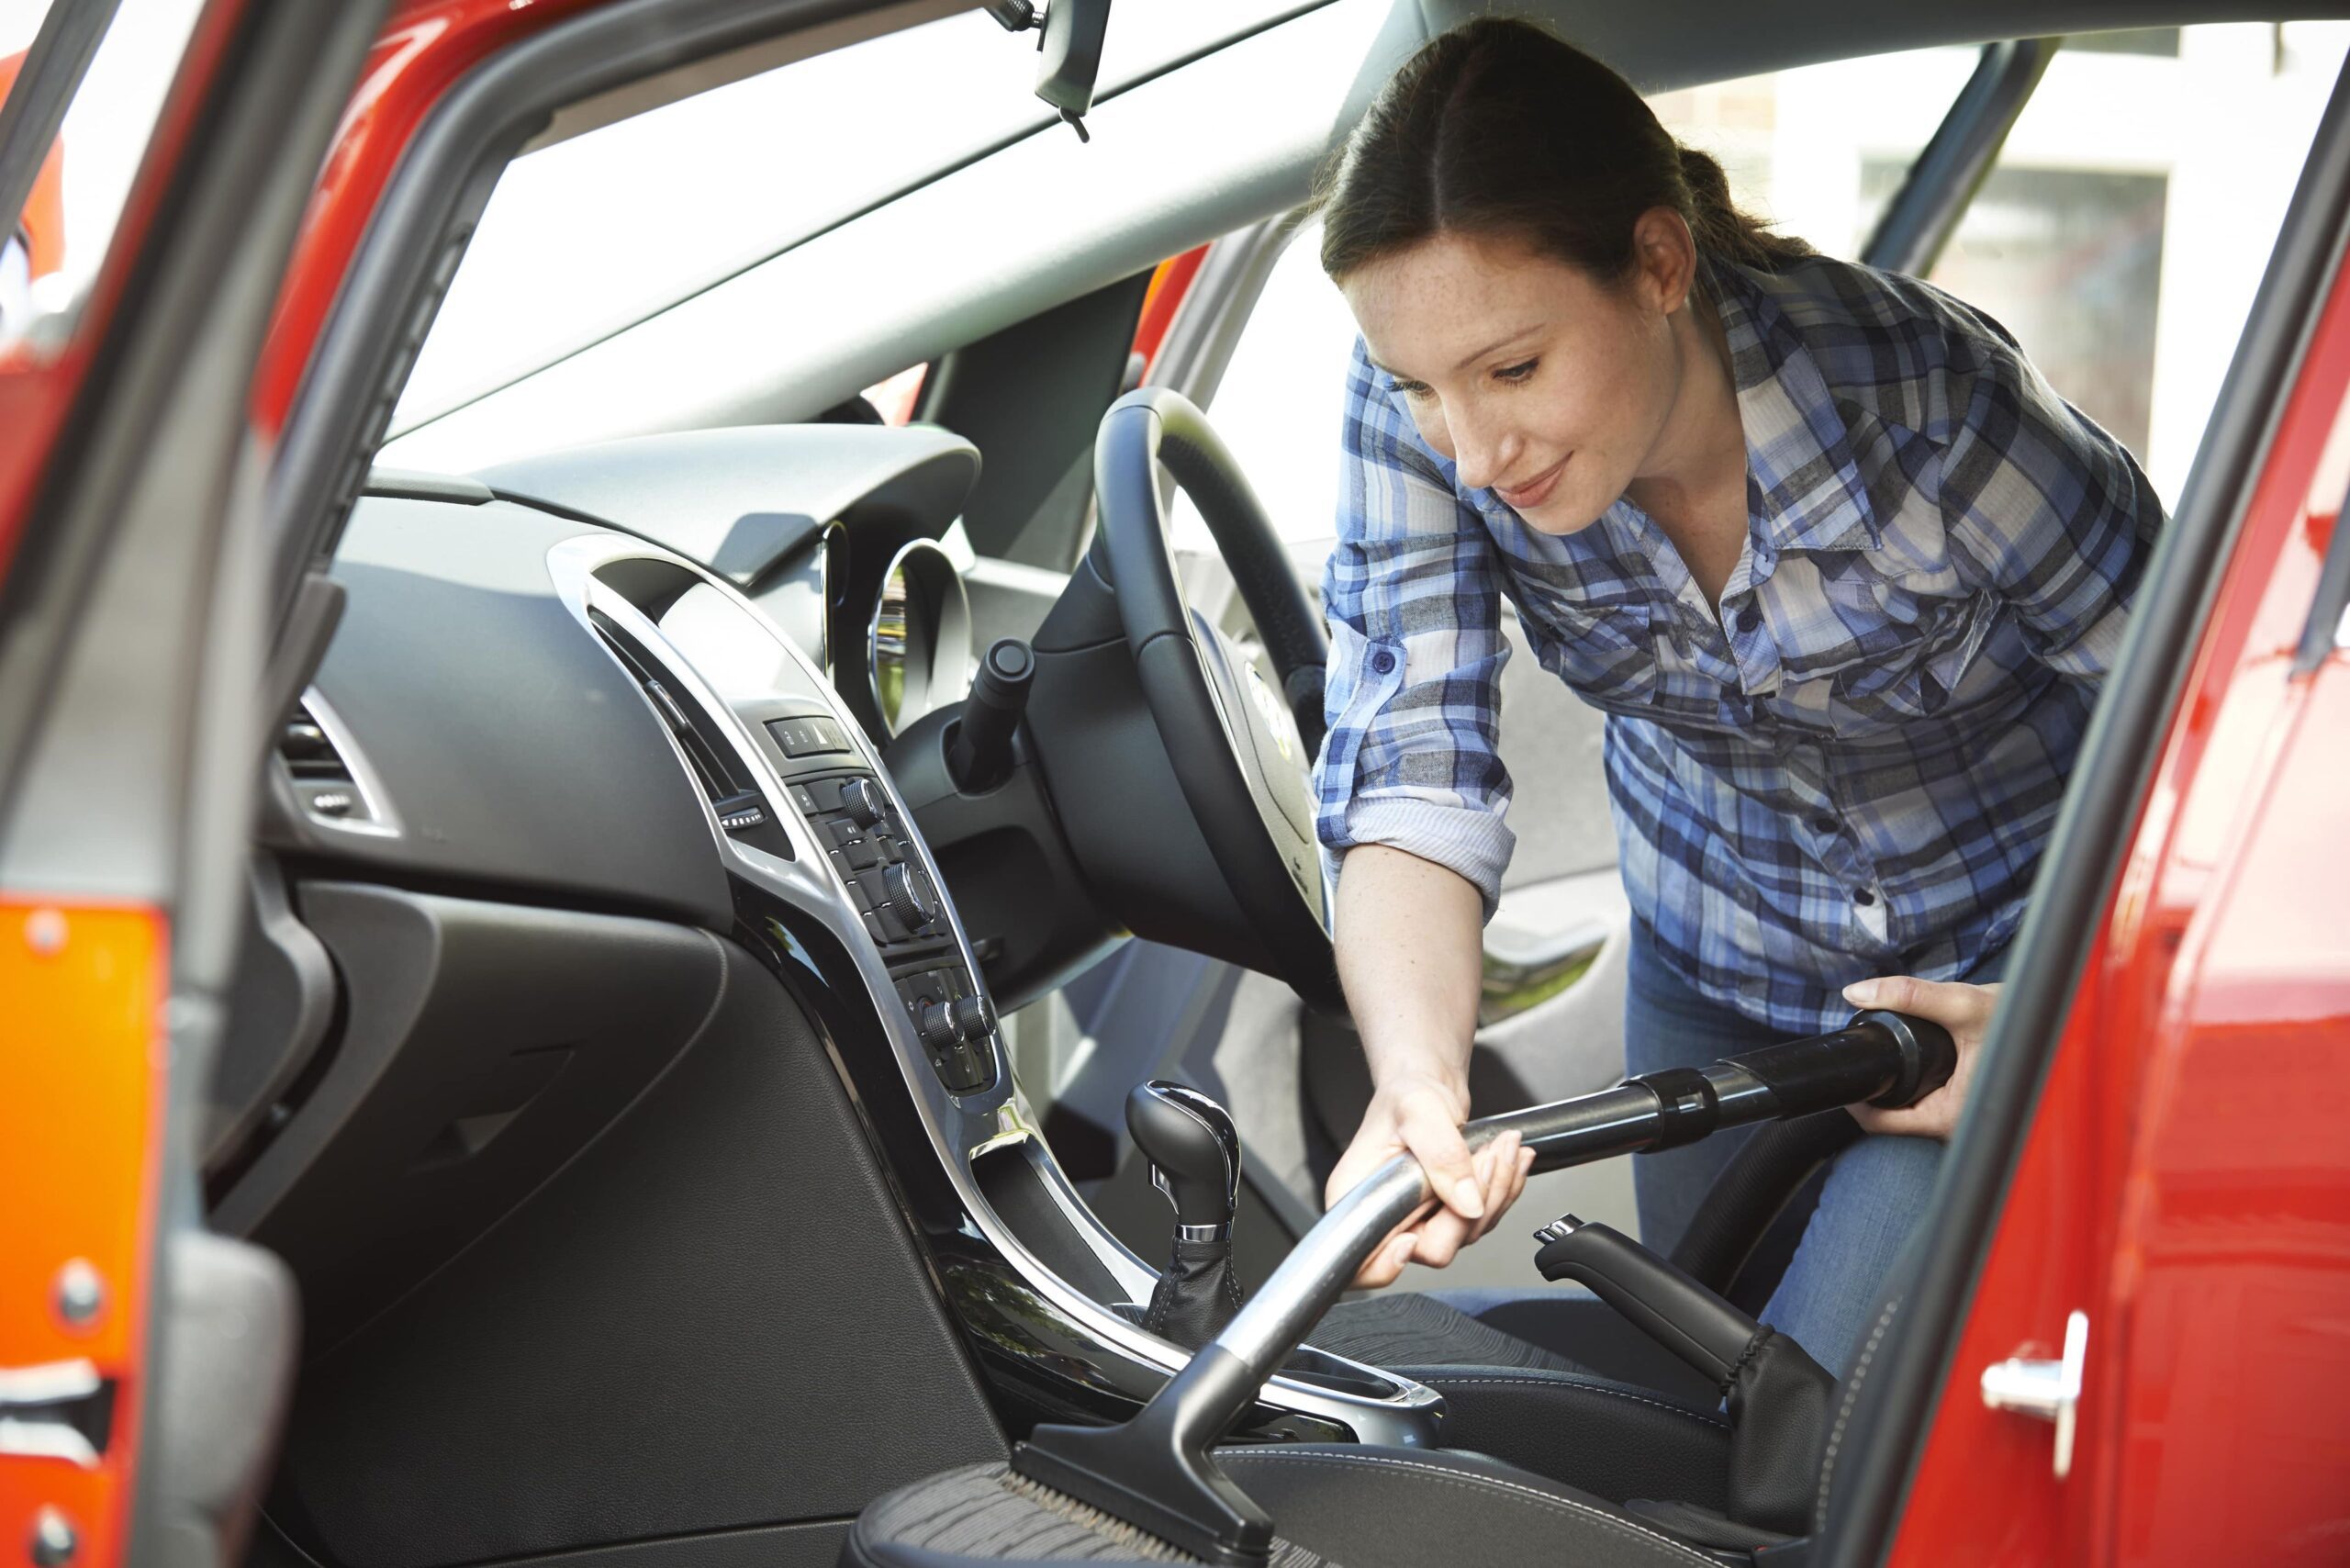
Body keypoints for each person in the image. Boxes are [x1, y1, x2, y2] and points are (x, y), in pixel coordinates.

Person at [1310, 17, 2162, 1375]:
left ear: (1659, 262)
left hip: (1996, 968)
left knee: (1819, 1420)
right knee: (1708, 1395)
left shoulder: (1939, 415)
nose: (1471, 454)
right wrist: (1416, 1086)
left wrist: (2078, 1016)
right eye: (1426, 390)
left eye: (1515, 370)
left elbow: (2203, 740)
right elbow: (1412, 762)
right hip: (1715, 954)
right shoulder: (1417, 400)